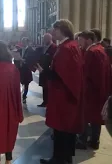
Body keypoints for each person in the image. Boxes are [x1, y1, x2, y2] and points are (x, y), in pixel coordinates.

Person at [40, 19, 84, 164]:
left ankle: (58, 159)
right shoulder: (70, 45)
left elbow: (63, 74)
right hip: (65, 95)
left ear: (62, 30)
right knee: (66, 129)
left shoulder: (66, 48)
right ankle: (65, 157)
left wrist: (45, 72)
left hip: (63, 96)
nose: (53, 32)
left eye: (55, 29)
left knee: (61, 128)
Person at [76, 31, 111, 150]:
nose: (79, 43)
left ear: (89, 40)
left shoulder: (91, 52)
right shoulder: (100, 49)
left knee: (86, 116)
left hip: (91, 91)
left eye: (80, 40)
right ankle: (95, 140)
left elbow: (90, 74)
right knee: (96, 117)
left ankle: (83, 140)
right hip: (100, 89)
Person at [36, 33, 57, 107]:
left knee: (49, 86)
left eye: (45, 39)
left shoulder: (54, 47)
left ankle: (50, 102)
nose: (43, 40)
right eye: (43, 39)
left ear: (49, 39)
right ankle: (45, 101)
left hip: (48, 70)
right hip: (42, 69)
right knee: (44, 86)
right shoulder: (43, 47)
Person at [17, 37, 37, 104]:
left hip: (26, 69)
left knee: (26, 84)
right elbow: (16, 59)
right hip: (20, 69)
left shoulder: (30, 50)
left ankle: (24, 96)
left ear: (27, 42)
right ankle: (18, 96)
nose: (23, 43)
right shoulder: (19, 50)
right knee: (19, 82)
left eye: (24, 42)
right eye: (22, 41)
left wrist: (23, 60)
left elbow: (32, 59)